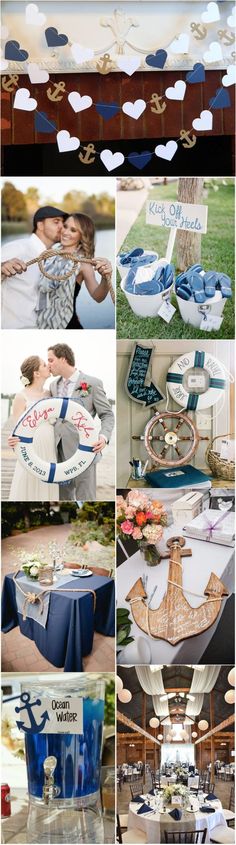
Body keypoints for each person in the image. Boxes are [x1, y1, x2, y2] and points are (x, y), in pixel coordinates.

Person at [47, 343, 114, 500]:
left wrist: (103, 437)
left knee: (86, 497)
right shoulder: (53, 385)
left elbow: (107, 415)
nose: (48, 365)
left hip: (85, 451)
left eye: (51, 360)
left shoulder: (93, 383)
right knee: (63, 498)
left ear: (63, 359)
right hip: (58, 453)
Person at [35, 213, 112, 330]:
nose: (65, 232)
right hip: (44, 321)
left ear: (82, 235)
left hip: (67, 324)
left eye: (73, 230)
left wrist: (105, 278)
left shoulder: (83, 263)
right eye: (65, 226)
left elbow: (98, 297)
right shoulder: (50, 253)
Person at [1, 206, 66, 329]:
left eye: (63, 223)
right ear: (40, 225)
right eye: (56, 222)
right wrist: (2, 267)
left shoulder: (53, 259)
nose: (62, 227)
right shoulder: (18, 248)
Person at [8, 356, 59, 502]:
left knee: (47, 479)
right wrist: (12, 440)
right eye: (44, 364)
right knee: (28, 479)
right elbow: (15, 429)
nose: (48, 365)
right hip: (31, 447)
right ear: (36, 373)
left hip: (49, 447)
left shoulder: (50, 393)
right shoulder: (21, 396)